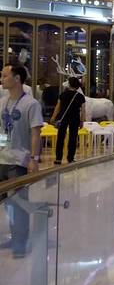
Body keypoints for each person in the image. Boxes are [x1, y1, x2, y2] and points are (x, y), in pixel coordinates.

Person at [0, 65, 43, 258]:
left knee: (19, 204)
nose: (1, 79)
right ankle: (14, 237)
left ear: (17, 78)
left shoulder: (31, 104)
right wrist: (2, 148)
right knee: (8, 204)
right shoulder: (2, 103)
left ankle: (20, 244)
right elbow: (2, 132)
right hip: (3, 159)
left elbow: (35, 133)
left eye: (5, 75)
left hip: (19, 161)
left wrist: (34, 158)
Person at [50, 76, 85, 164]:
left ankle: (58, 158)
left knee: (60, 137)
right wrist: (82, 121)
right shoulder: (80, 96)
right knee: (73, 138)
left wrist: (53, 117)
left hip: (63, 118)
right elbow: (83, 110)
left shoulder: (63, 94)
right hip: (75, 118)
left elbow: (58, 107)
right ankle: (70, 158)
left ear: (69, 84)